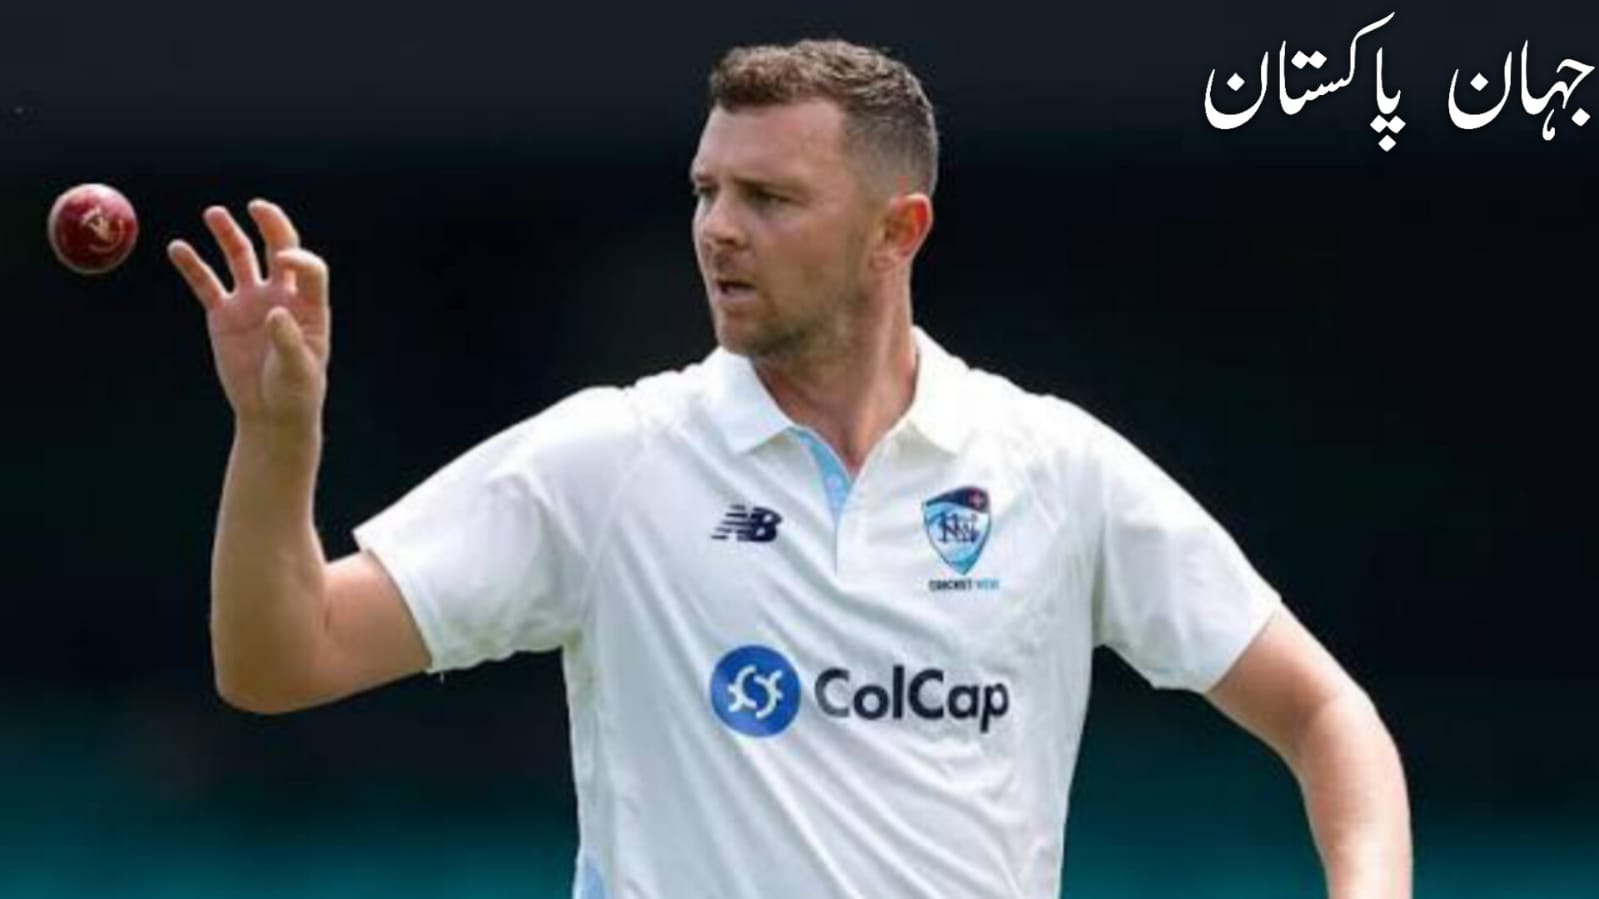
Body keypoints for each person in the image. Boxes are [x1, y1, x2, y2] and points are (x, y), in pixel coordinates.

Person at [168, 38, 1411, 899]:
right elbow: (282, 660)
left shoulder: (1051, 465)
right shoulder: (613, 458)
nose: (718, 228)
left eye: (768, 197)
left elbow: (1327, 712)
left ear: (896, 231)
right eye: (706, 190)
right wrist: (277, 439)